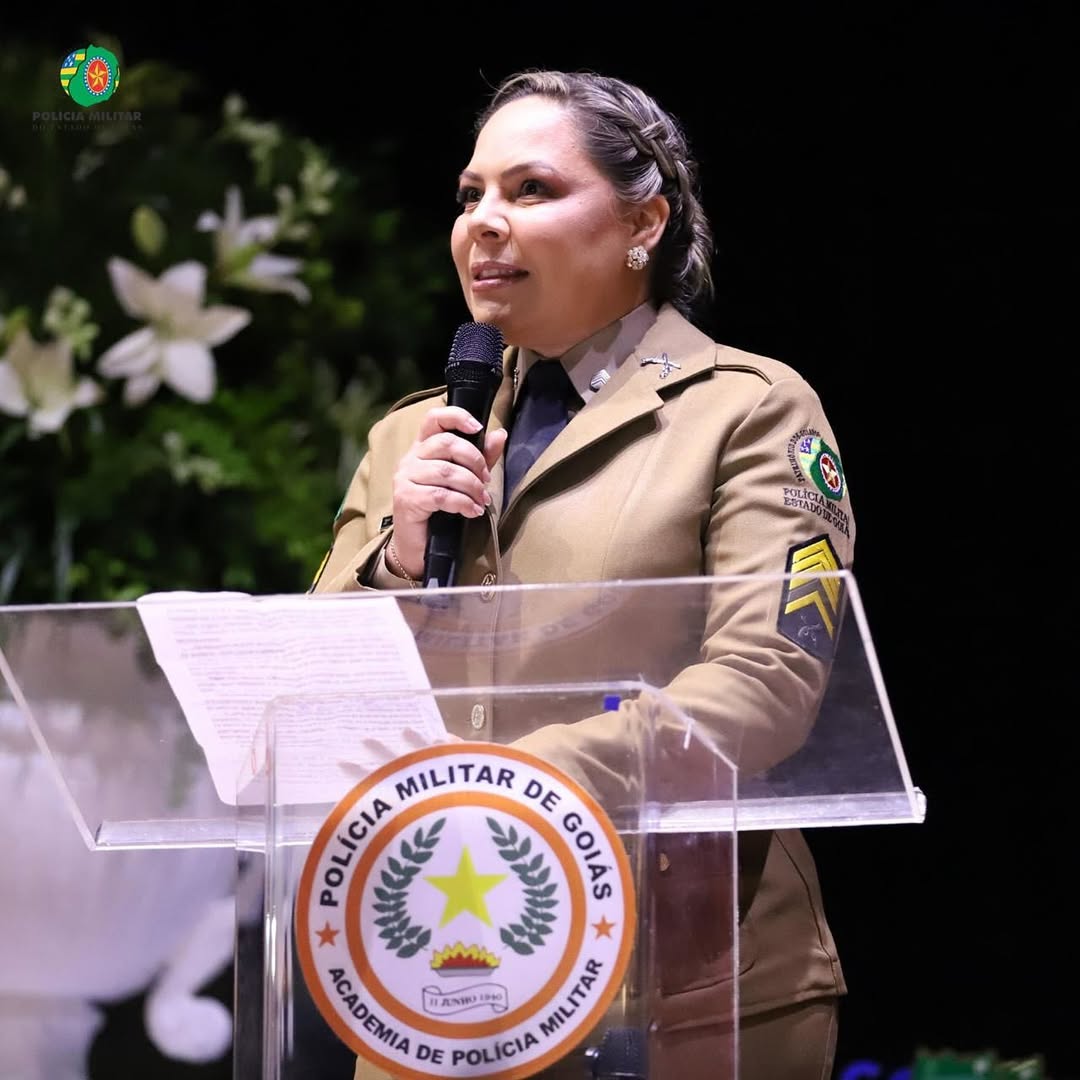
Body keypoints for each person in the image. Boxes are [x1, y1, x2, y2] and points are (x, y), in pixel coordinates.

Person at [312, 69, 853, 1080]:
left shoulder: (748, 410)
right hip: (438, 976)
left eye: (532, 190)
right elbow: (307, 703)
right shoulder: (409, 437)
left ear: (644, 222)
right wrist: (397, 561)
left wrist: (523, 784)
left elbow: (767, 683)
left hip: (684, 981)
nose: (484, 222)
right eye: (470, 194)